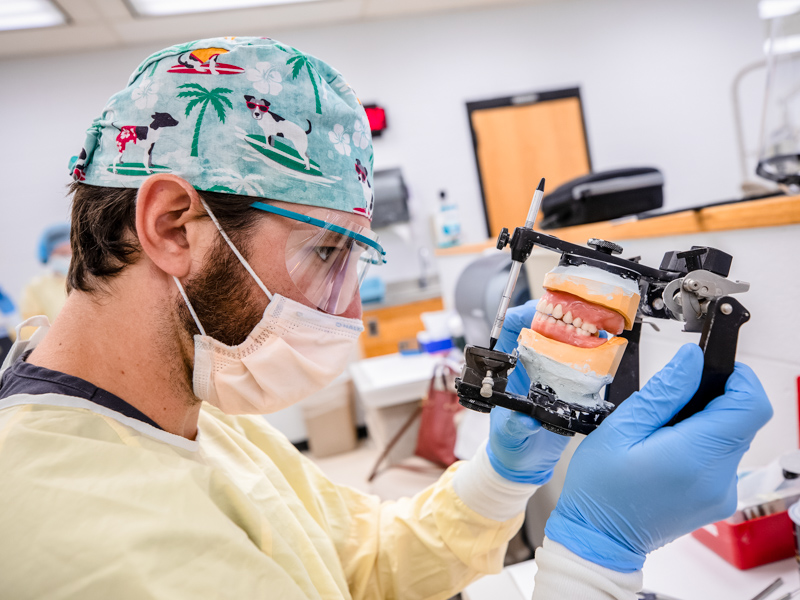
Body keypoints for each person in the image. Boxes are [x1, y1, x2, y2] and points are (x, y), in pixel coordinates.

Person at [0, 38, 771, 600]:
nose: (352, 309)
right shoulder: (80, 535)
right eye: (325, 251)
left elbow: (361, 564)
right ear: (172, 225)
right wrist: (596, 560)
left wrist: (504, 476)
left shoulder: (183, 411)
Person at [19, 223, 71, 327]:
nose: (69, 257)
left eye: (73, 252)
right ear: (48, 254)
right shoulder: (36, 286)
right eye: (62, 253)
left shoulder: (89, 279)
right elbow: (29, 329)